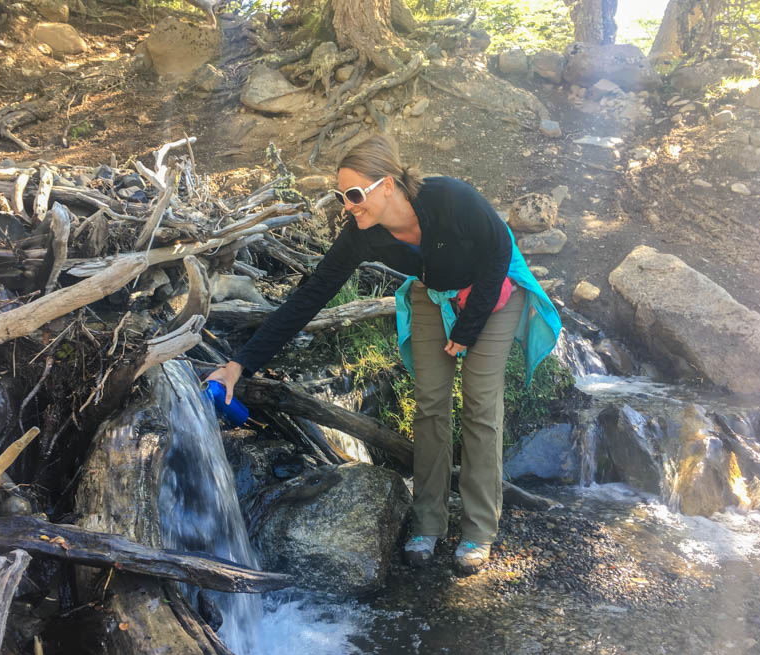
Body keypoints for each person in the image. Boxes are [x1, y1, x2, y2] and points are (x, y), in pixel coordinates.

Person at [207, 135, 561, 575]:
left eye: (355, 195)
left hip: (494, 294)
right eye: (341, 197)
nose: (347, 206)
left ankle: (478, 529)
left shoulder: (451, 198)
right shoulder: (361, 234)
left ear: (388, 185)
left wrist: (468, 330)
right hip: (436, 294)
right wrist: (240, 363)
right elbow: (310, 297)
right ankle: (428, 522)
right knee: (431, 403)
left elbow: (498, 251)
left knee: (480, 404)